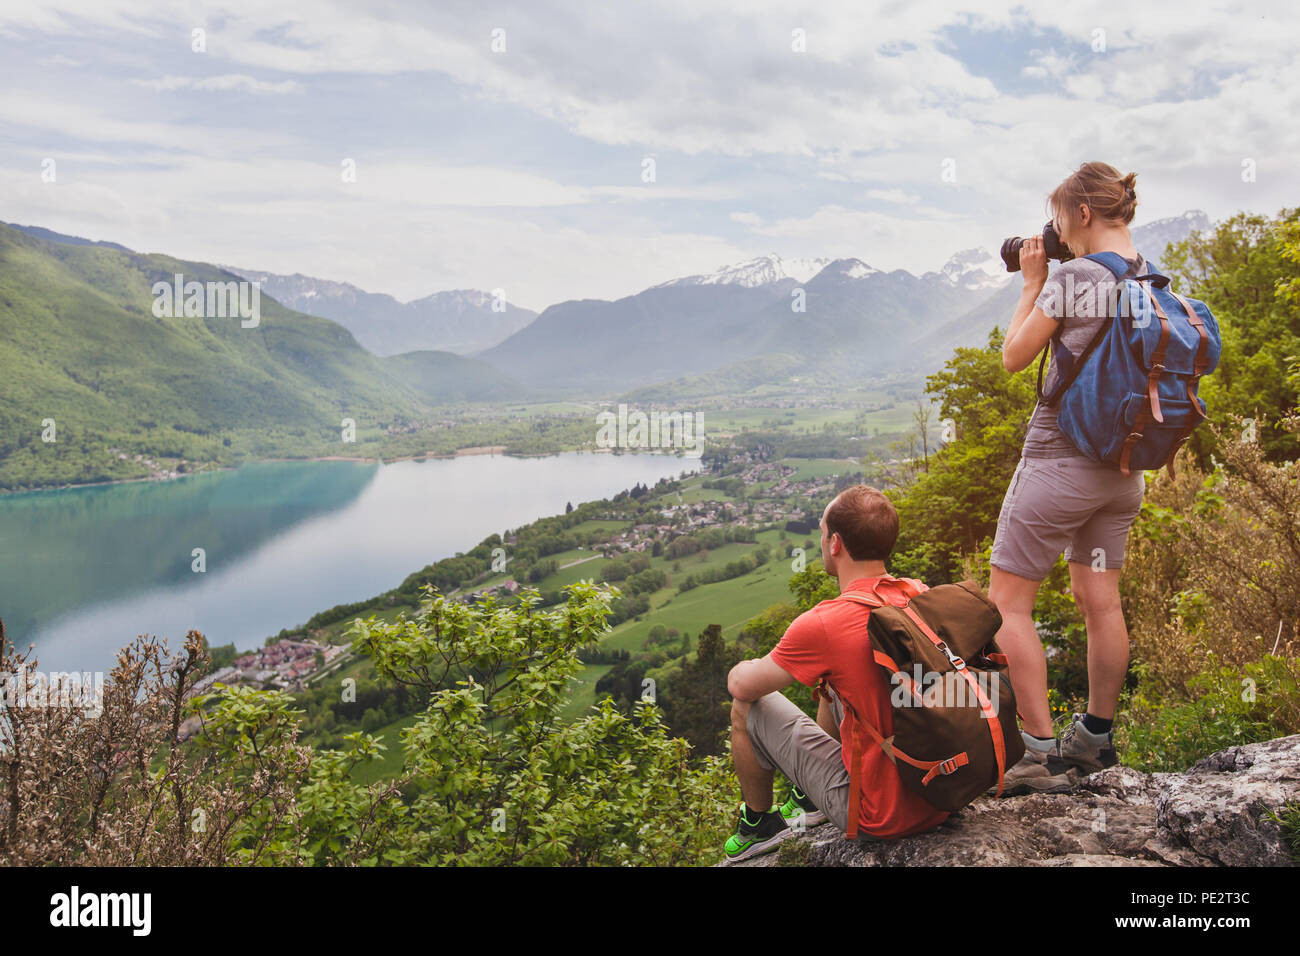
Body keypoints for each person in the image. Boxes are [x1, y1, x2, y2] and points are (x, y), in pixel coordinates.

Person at [991, 161, 1147, 795]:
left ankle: (1040, 752)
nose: (1053, 232)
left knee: (1007, 604)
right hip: (1124, 471)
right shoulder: (1149, 275)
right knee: (1100, 601)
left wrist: (1032, 283)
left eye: (1056, 219)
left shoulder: (1075, 276)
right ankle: (1096, 738)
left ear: (1082, 213)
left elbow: (1013, 358)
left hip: (1059, 462)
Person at [722, 485, 948, 864]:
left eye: (823, 533)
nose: (822, 540)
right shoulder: (919, 593)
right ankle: (810, 799)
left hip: (879, 815)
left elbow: (742, 686)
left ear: (836, 544)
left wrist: (739, 667)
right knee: (839, 683)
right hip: (941, 792)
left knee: (748, 707)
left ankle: (759, 825)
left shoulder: (826, 623)